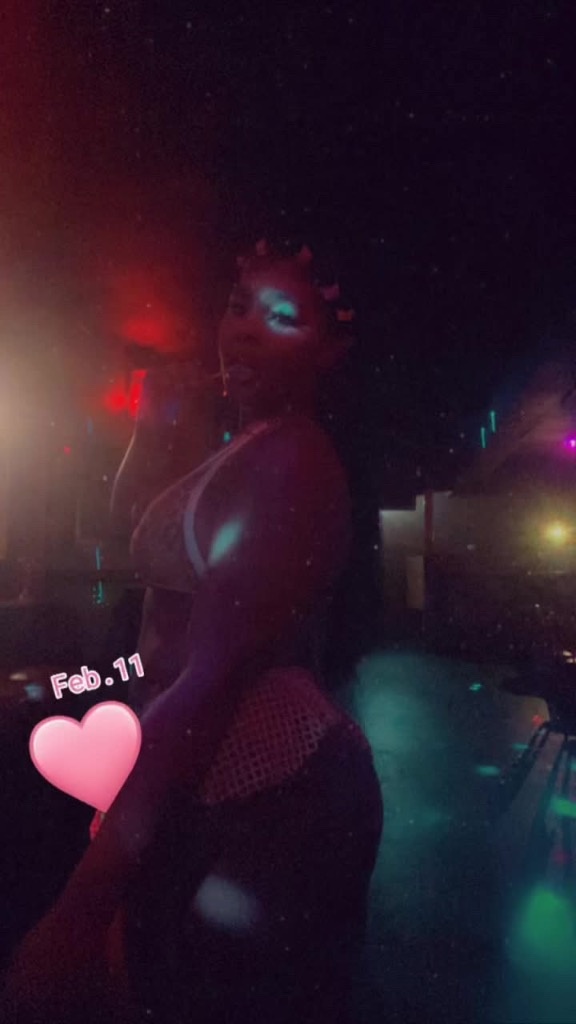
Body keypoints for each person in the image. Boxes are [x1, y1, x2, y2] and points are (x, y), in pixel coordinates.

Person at [1, 240, 383, 1024]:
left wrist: (78, 912)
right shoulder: (250, 448)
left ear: (330, 351)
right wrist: (154, 427)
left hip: (272, 790)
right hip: (205, 769)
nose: (242, 330)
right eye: (238, 307)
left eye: (282, 316)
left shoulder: (293, 461)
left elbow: (207, 681)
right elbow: (135, 546)